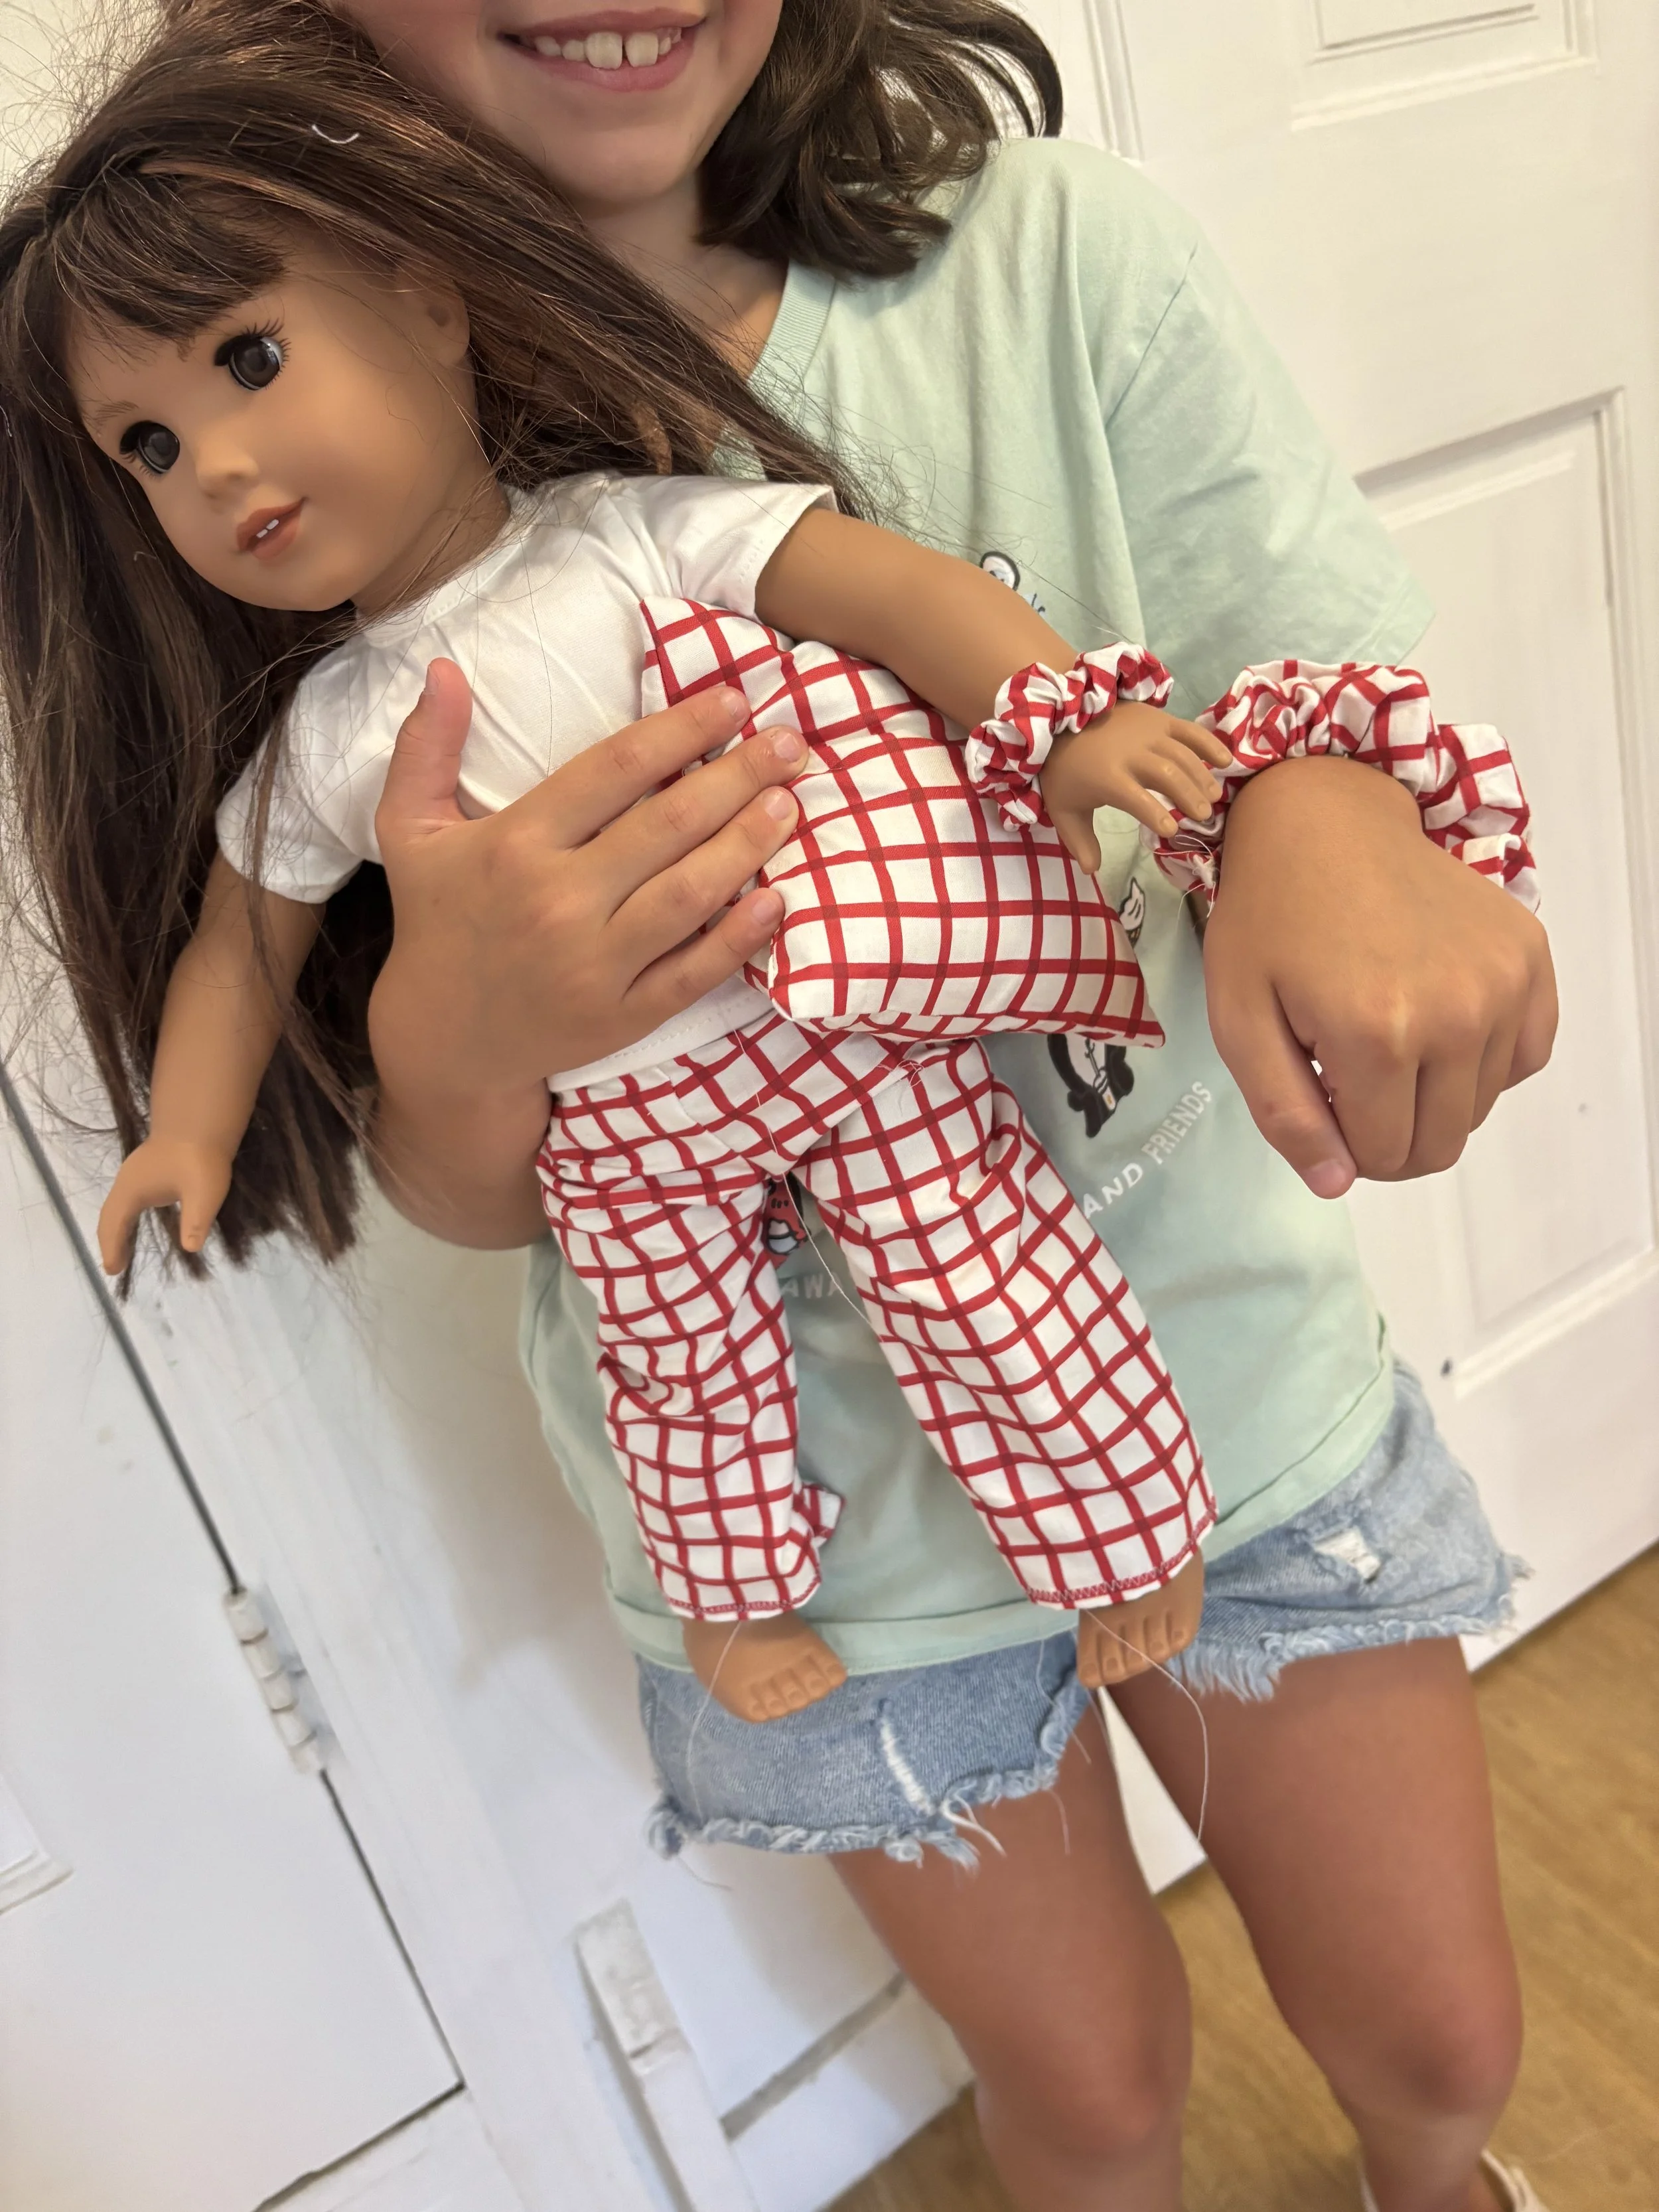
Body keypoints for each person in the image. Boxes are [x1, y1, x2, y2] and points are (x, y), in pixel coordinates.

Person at [85, 2, 1567, 2206]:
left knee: (1435, 2027)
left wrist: (1294, 801)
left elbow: (1264, 663)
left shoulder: (1007, 292)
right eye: (147, 443)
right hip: (811, 1527)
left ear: (413, 310)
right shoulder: (332, 706)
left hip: (1223, 1389)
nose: (215, 468)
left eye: (240, 374)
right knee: (1082, 2097)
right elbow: (429, 1141)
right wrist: (418, 1048)